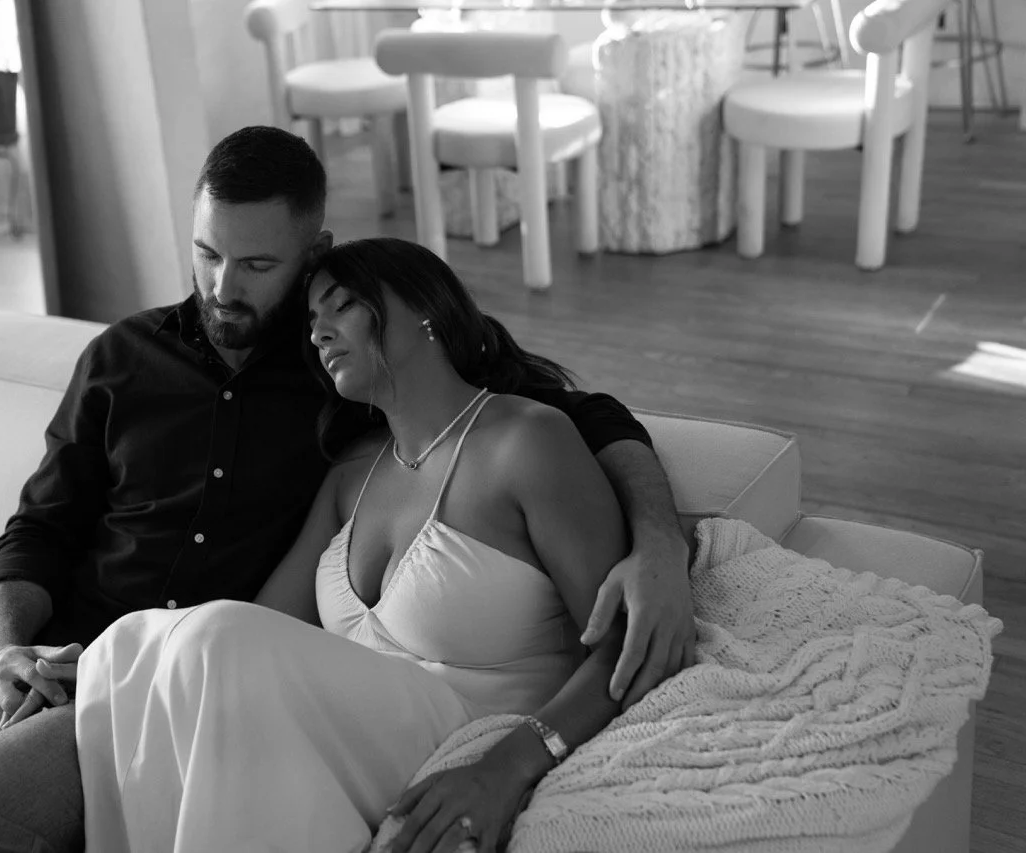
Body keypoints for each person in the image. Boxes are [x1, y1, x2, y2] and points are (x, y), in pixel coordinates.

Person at [0, 126, 691, 853]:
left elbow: (575, 411)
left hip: (172, 686)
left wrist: (655, 545)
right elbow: (37, 526)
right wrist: (0, 648)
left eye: (259, 265)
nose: (223, 286)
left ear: (313, 250)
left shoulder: (344, 377)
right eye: (206, 254)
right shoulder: (123, 355)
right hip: (56, 645)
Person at [74, 236, 648, 853]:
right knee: (124, 645)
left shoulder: (527, 441)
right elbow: (264, 626)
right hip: (355, 747)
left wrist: (507, 765)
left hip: (473, 736)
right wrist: (134, 655)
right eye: (312, 321)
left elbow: (621, 640)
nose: (319, 333)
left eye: (341, 306)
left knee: (214, 638)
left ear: (426, 307)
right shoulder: (352, 474)